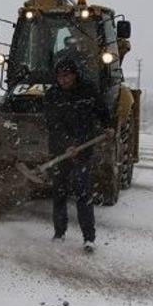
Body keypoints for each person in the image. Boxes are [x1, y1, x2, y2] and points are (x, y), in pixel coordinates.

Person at [43, 58, 112, 252]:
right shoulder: (52, 95)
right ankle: (59, 233)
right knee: (59, 193)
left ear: (74, 75)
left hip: (83, 150)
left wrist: (108, 127)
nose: (63, 80)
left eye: (66, 76)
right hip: (59, 151)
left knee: (83, 194)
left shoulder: (88, 92)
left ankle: (88, 238)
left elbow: (102, 112)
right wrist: (66, 145)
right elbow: (53, 125)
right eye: (59, 77)